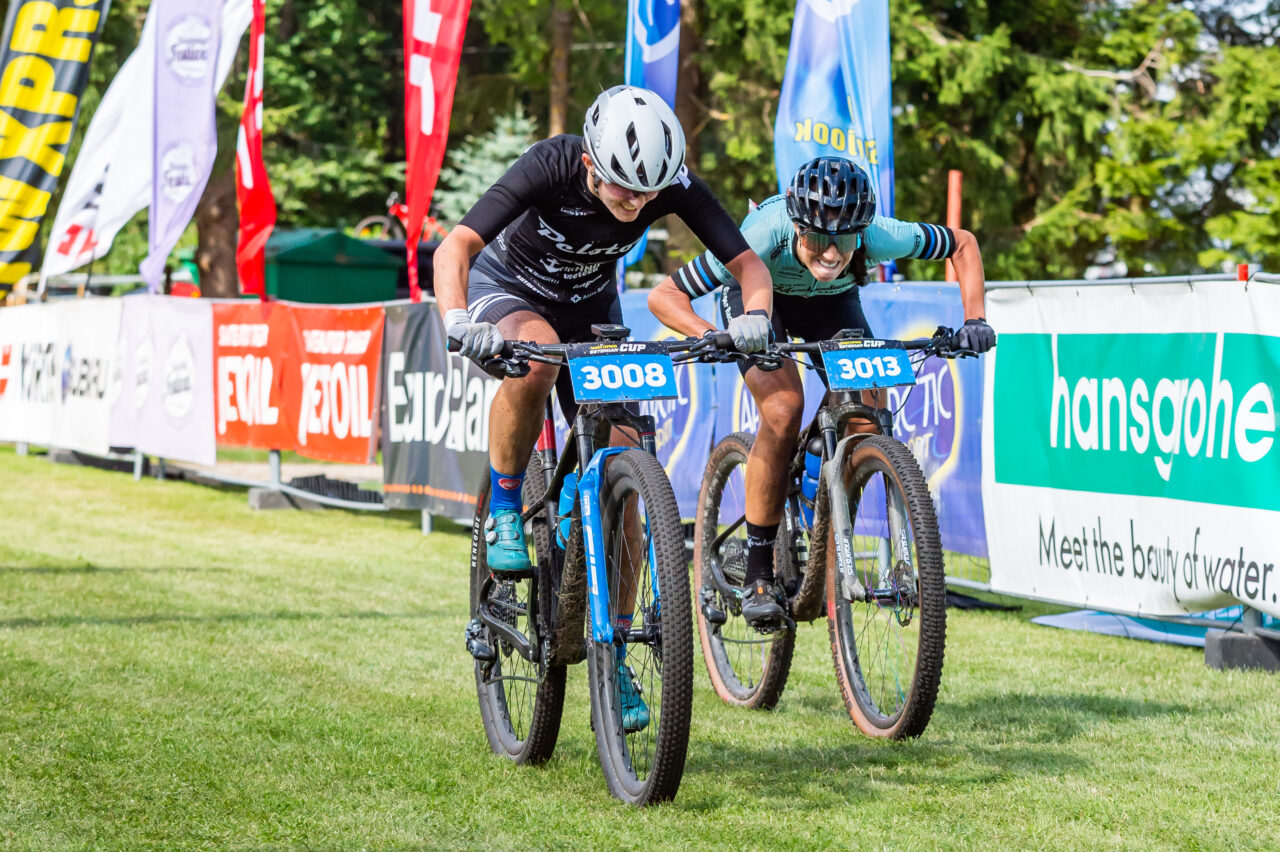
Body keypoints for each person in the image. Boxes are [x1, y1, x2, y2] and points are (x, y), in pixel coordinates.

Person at [434, 85, 774, 730]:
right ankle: (506, 503)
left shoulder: (666, 183)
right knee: (534, 357)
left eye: (648, 195)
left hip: (592, 309)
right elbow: (454, 248)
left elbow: (748, 265)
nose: (637, 204)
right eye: (623, 190)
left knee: (627, 460)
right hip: (508, 292)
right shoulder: (551, 163)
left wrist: (755, 314)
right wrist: (457, 319)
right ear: (590, 163)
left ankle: (613, 649)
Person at [647, 155, 996, 629]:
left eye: (846, 240)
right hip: (759, 300)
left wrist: (975, 319)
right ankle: (757, 573)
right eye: (817, 238)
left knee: (867, 411)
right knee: (783, 407)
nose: (831, 254)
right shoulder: (762, 234)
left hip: (833, 305)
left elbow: (964, 245)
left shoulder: (876, 234)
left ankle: (822, 498)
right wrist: (711, 333)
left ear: (863, 230)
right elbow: (664, 297)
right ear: (795, 224)